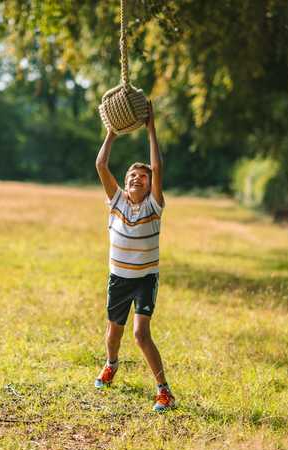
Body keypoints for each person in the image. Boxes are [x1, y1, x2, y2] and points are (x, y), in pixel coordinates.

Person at [93, 101, 175, 412]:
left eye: (143, 176)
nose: (136, 179)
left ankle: (164, 390)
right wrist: (112, 133)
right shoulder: (116, 200)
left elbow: (159, 167)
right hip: (119, 278)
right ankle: (111, 363)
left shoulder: (154, 205)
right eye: (132, 176)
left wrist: (151, 129)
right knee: (113, 333)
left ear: (151, 184)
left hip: (144, 279)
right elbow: (101, 165)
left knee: (141, 334)